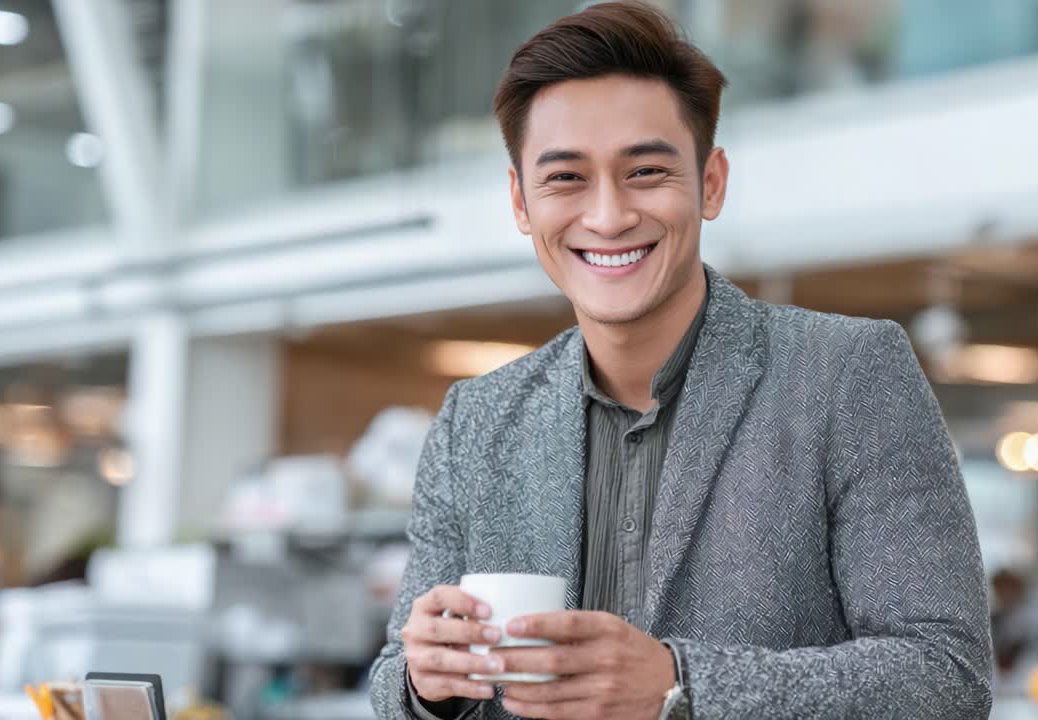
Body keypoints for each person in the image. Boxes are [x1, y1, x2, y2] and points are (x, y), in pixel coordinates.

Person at [369, 3, 992, 718]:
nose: (607, 217)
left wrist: (680, 684)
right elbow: (398, 680)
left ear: (711, 182)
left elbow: (946, 681)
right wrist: (424, 685)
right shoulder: (474, 422)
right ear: (520, 200)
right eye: (566, 178)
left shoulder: (848, 375)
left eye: (646, 170)